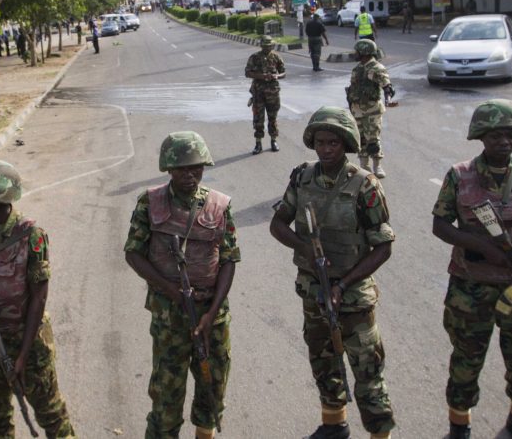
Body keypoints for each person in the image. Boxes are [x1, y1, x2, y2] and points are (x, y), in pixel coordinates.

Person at [431, 100, 512, 439]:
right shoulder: (460, 176)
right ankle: (459, 425)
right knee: (466, 360)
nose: (503, 142)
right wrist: (483, 247)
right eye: (495, 135)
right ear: (481, 136)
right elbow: (441, 225)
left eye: (510, 135)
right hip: (470, 289)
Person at [269, 107, 396, 439]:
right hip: (314, 291)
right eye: (320, 142)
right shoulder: (302, 177)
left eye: (333, 143)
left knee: (367, 371)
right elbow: (277, 224)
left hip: (353, 299)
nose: (325, 149)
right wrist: (305, 247)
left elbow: (383, 247)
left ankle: (380, 433)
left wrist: (345, 283)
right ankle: (334, 424)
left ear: (346, 144)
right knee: (324, 362)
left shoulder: (365, 186)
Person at [124, 132, 238, 439]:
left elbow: (229, 259)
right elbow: (133, 253)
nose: (190, 174)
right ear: (169, 169)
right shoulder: (150, 203)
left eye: (197, 168)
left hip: (211, 316)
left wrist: (212, 312)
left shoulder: (218, 205)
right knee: (166, 395)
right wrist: (170, 290)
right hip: (169, 318)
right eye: (183, 168)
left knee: (212, 390)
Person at [0, 160, 76, 438]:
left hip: (29, 343)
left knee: (52, 418)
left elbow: (39, 298)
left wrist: (22, 356)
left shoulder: (32, 237)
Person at [346, 40, 397, 179]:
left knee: (373, 139)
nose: (355, 54)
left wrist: (388, 99)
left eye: (357, 51)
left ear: (364, 52)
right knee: (360, 139)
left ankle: (377, 165)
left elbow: (387, 86)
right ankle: (364, 166)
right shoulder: (357, 69)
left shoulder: (376, 68)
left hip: (372, 110)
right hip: (357, 110)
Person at [245, 36, 287, 154]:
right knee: (258, 119)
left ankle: (273, 141)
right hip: (258, 92)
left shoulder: (276, 57)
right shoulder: (254, 57)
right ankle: (258, 143)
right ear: (261, 46)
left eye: (269, 46)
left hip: (273, 92)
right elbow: (247, 73)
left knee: (272, 118)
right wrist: (261, 76)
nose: (267, 48)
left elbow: (284, 72)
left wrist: (276, 76)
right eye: (265, 46)